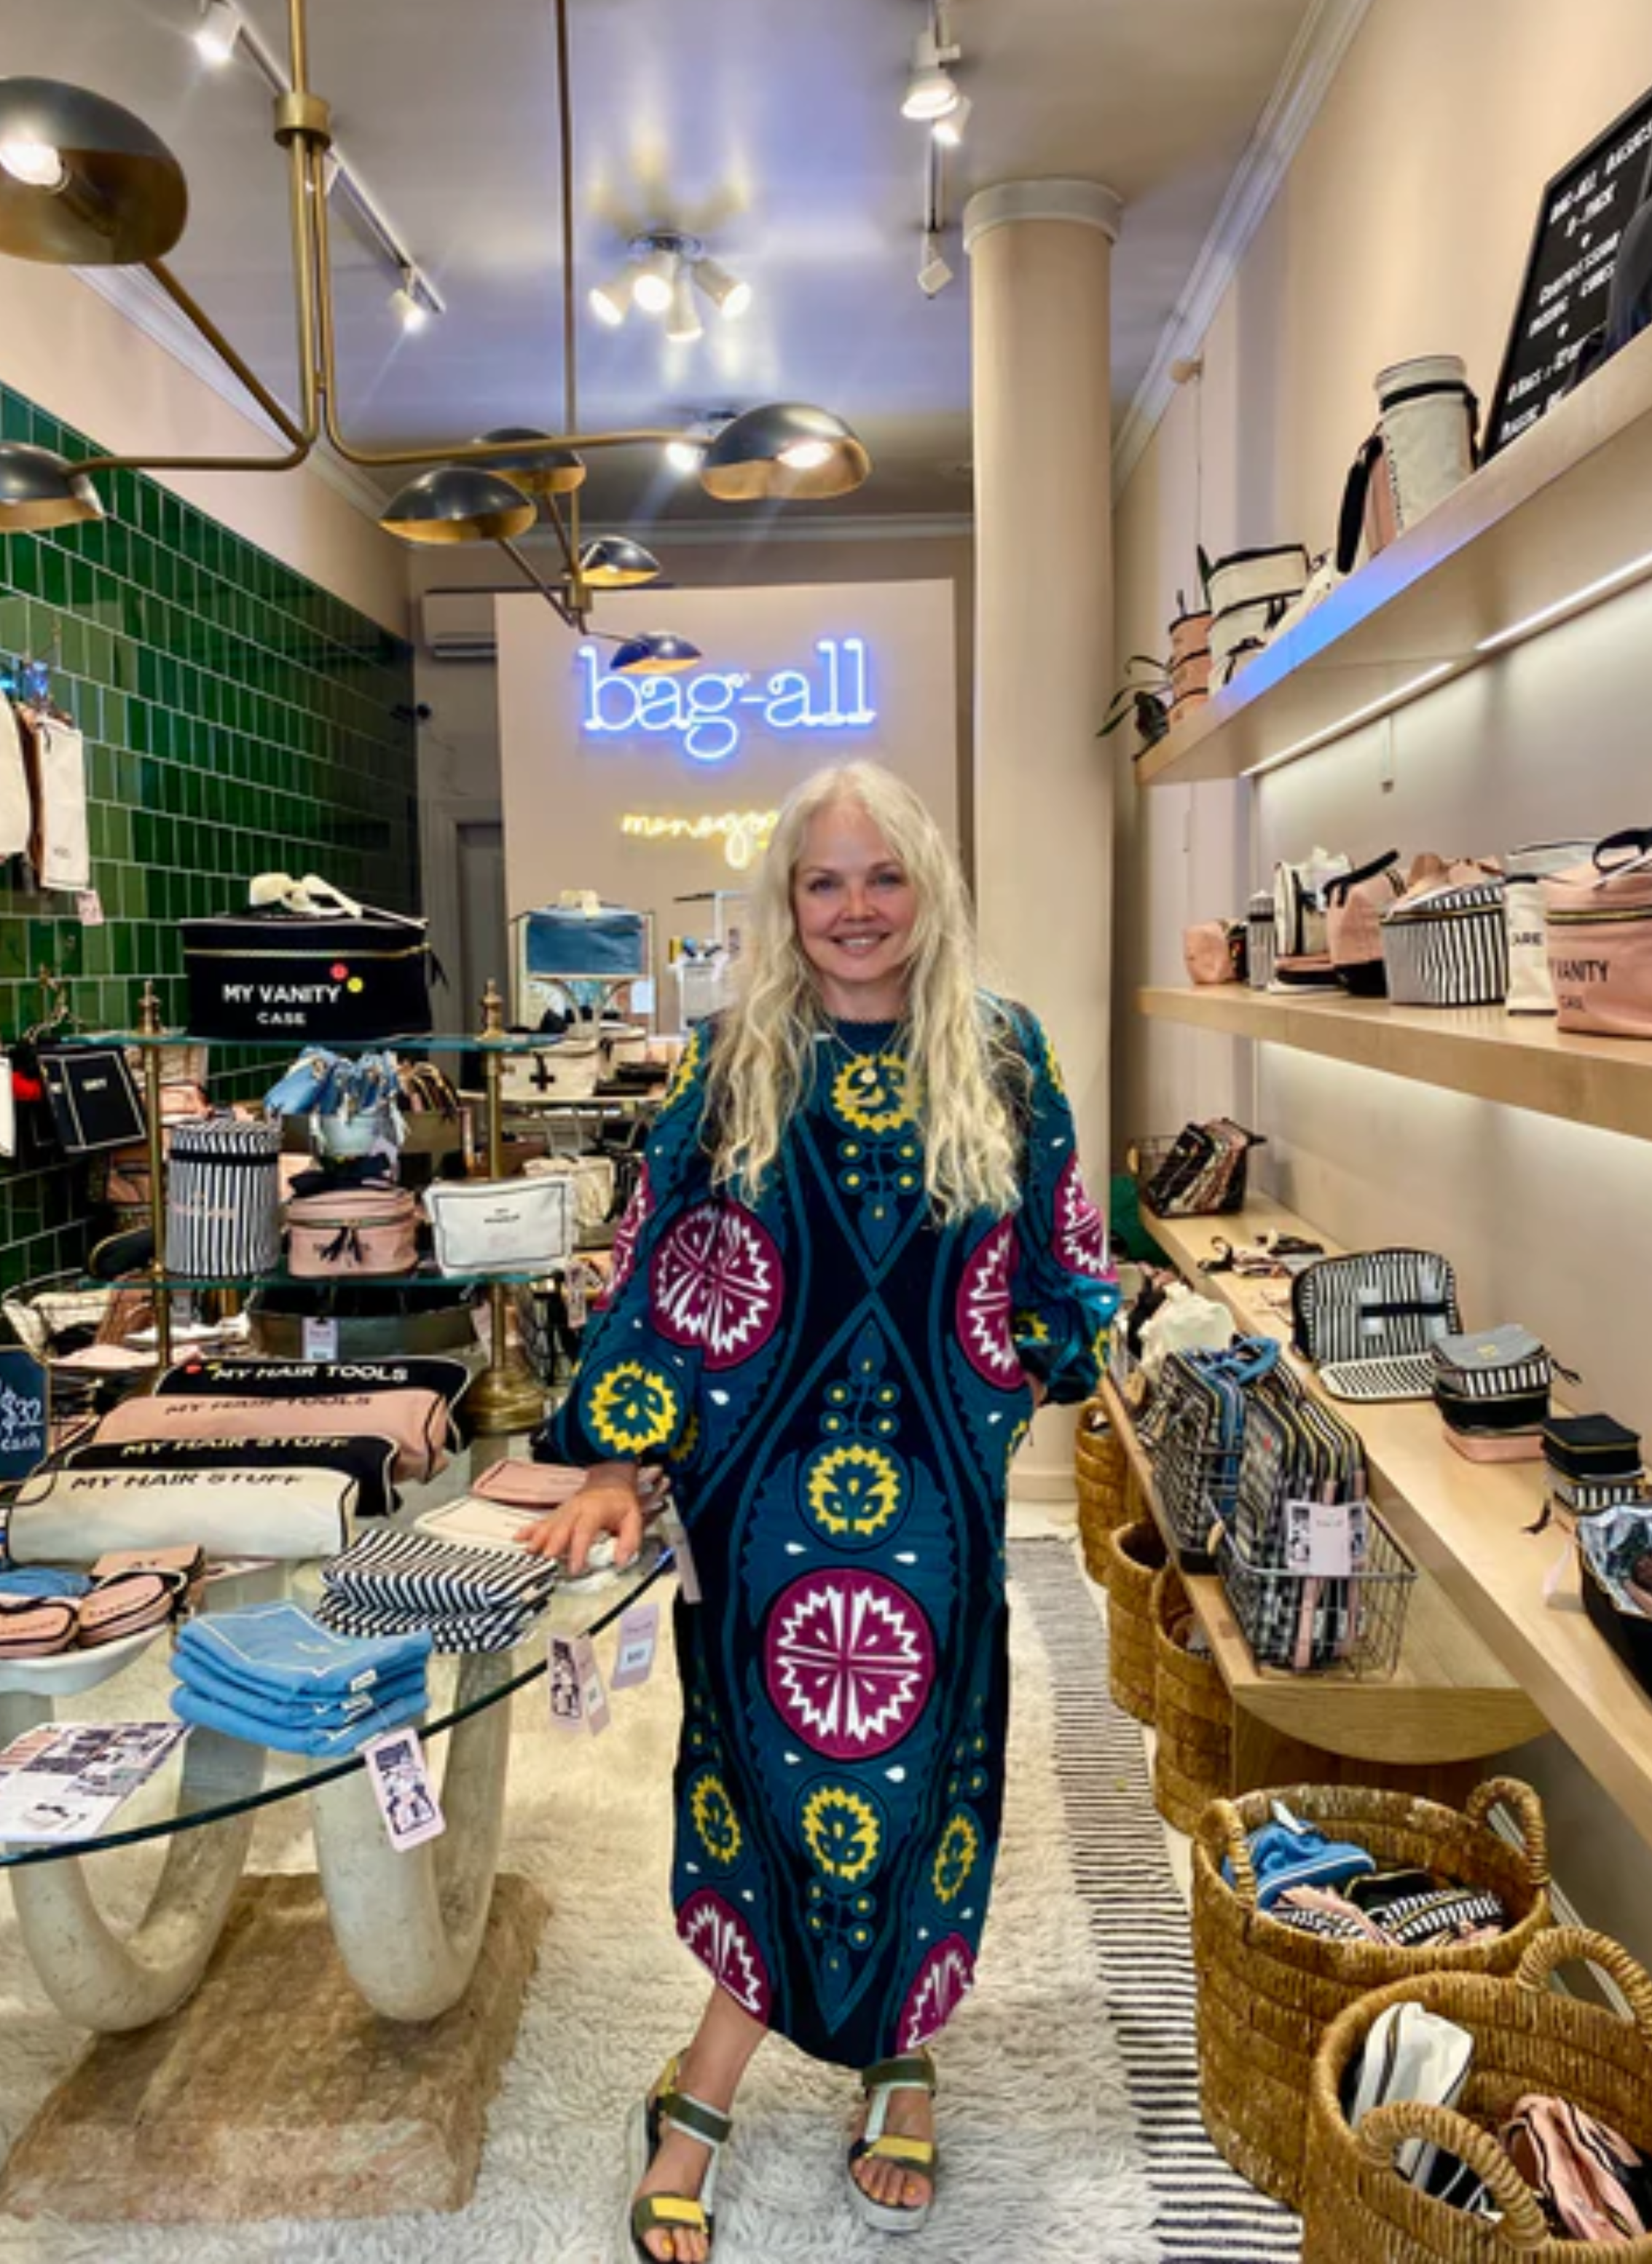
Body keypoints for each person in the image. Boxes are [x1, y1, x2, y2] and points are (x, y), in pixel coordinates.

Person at [527, 760, 1118, 2263]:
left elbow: (1062, 1254)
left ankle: (895, 2055)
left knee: (922, 1782)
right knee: (770, 1784)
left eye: (884, 878)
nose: (856, 911)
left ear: (928, 891)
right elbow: (657, 1273)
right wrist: (613, 1463)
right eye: (823, 882)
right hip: (757, 1500)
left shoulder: (1005, 1054)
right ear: (787, 904)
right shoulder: (729, 1063)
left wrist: (1024, 1370)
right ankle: (713, 2079)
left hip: (935, 1508)